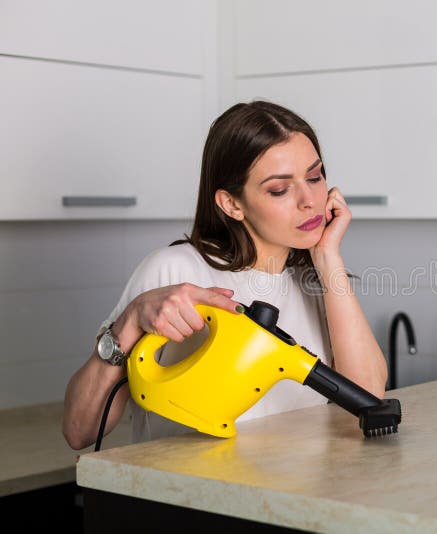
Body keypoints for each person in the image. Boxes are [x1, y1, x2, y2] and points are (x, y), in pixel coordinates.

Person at [62, 101, 388, 450]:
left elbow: (368, 397)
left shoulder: (315, 281)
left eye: (315, 176)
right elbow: (80, 431)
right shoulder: (176, 270)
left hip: (290, 497)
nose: (309, 200)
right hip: (186, 497)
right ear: (231, 204)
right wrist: (131, 319)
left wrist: (328, 257)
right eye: (280, 189)